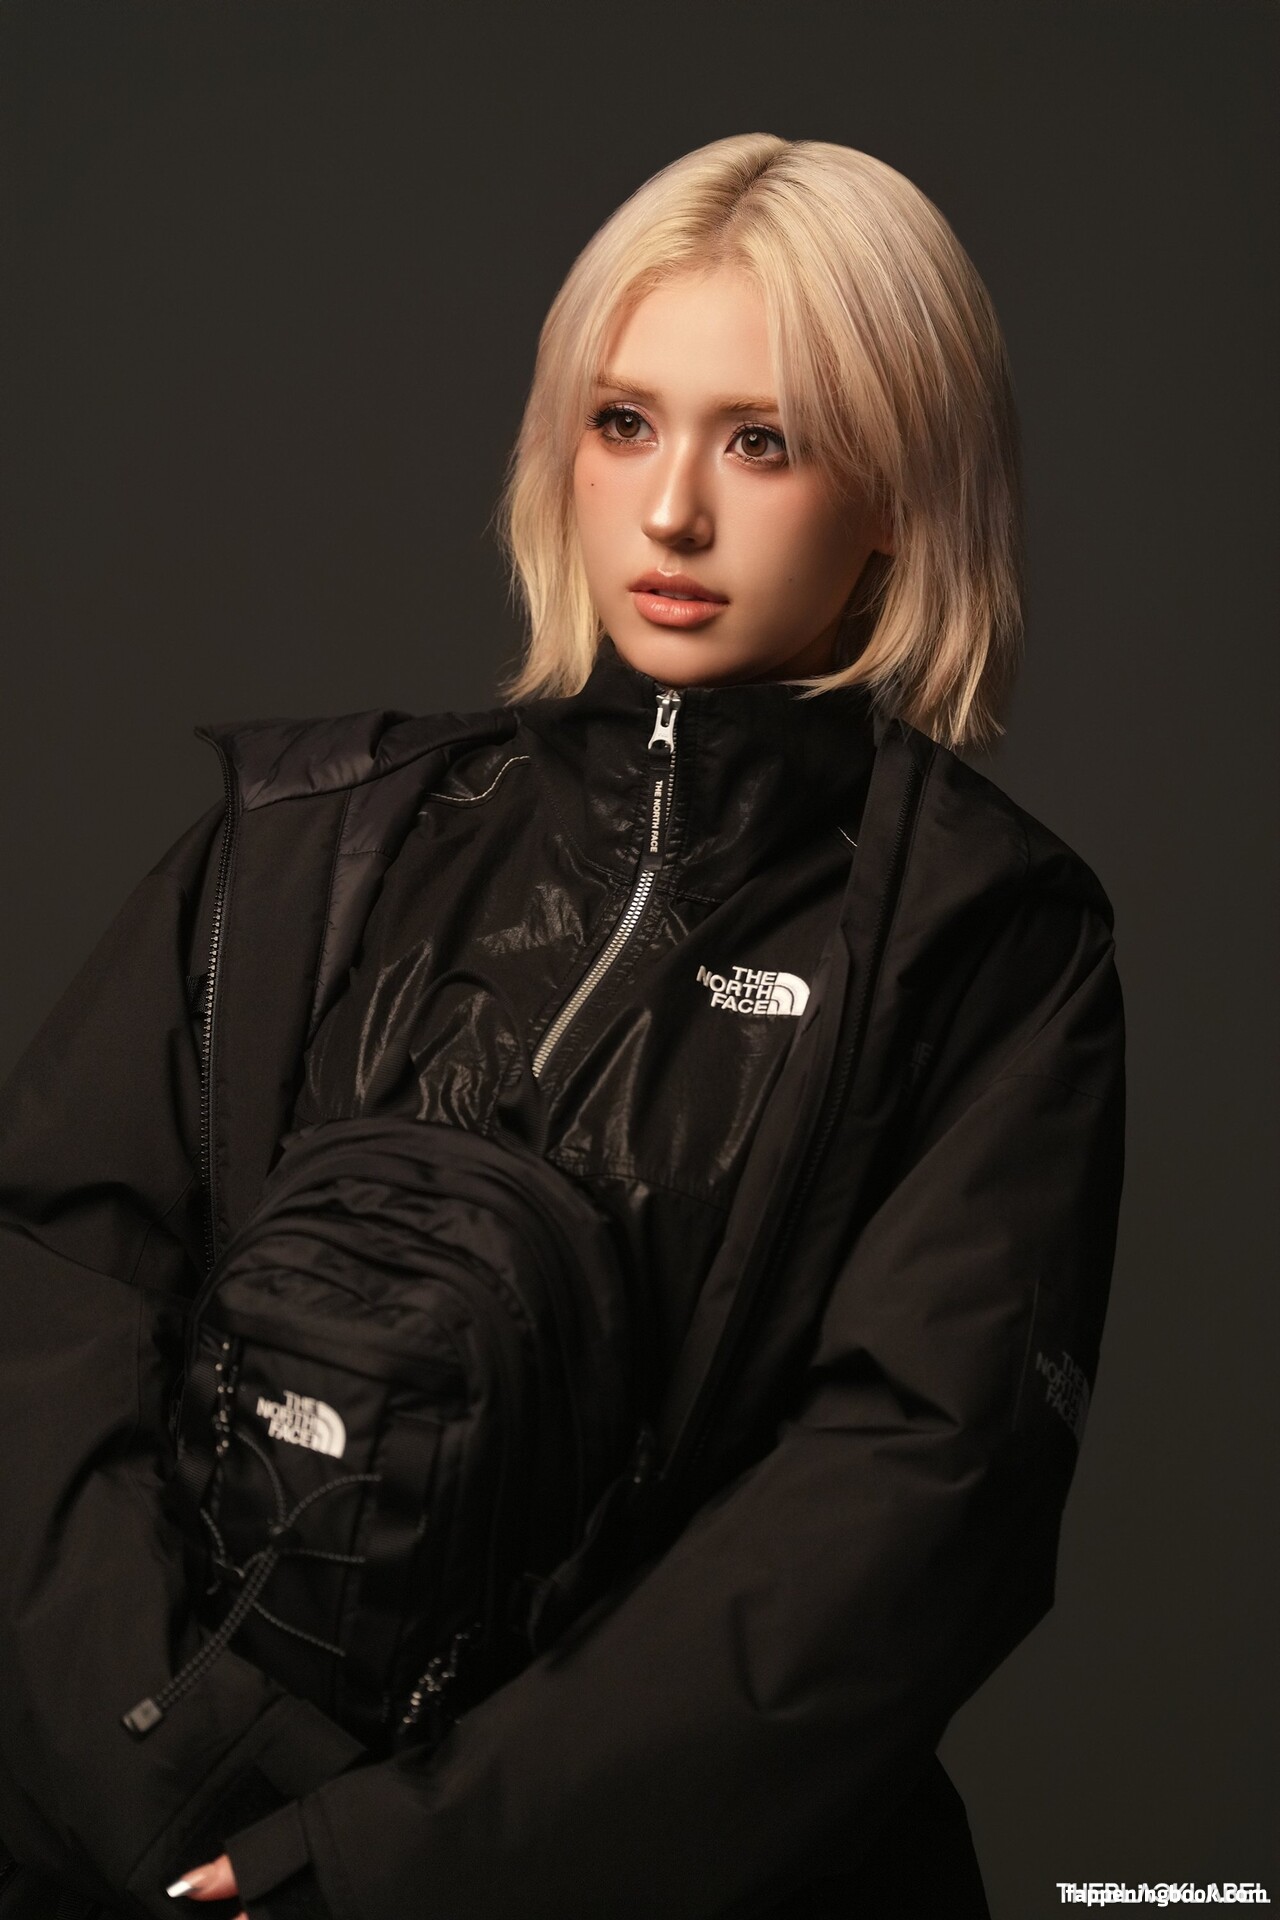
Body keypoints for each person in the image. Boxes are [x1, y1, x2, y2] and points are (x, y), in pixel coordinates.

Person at [0, 133, 1125, 1919]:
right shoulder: (302, 844)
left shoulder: (982, 946)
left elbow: (902, 1521)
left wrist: (373, 1869)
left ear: (900, 493)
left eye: (763, 443)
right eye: (623, 422)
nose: (672, 512)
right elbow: (48, 1308)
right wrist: (168, 1804)